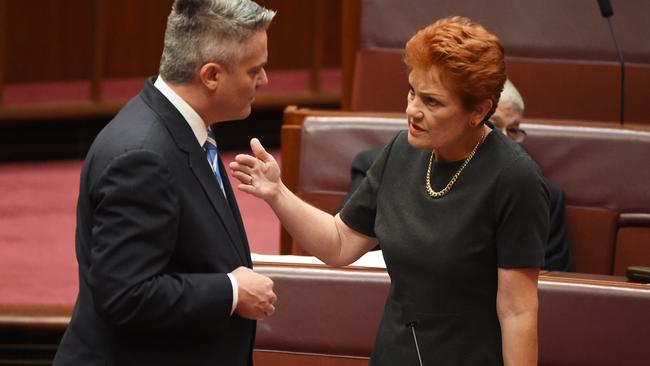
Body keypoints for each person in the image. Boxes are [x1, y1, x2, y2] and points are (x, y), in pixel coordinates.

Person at [231, 16, 547, 366]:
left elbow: (517, 310)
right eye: (413, 92)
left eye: (432, 102)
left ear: (478, 111)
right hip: (396, 352)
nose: (412, 111)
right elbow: (339, 243)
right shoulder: (404, 149)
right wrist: (277, 192)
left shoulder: (515, 178)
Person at [53, 1, 277, 365]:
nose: (264, 81)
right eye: (255, 70)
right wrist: (232, 291)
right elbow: (126, 295)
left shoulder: (182, 127)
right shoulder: (143, 157)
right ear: (211, 76)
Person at [342, 79, 571, 271]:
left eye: (512, 130)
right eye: (492, 124)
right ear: (474, 117)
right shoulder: (386, 162)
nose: (502, 137)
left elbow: (550, 286)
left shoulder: (537, 191)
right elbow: (344, 244)